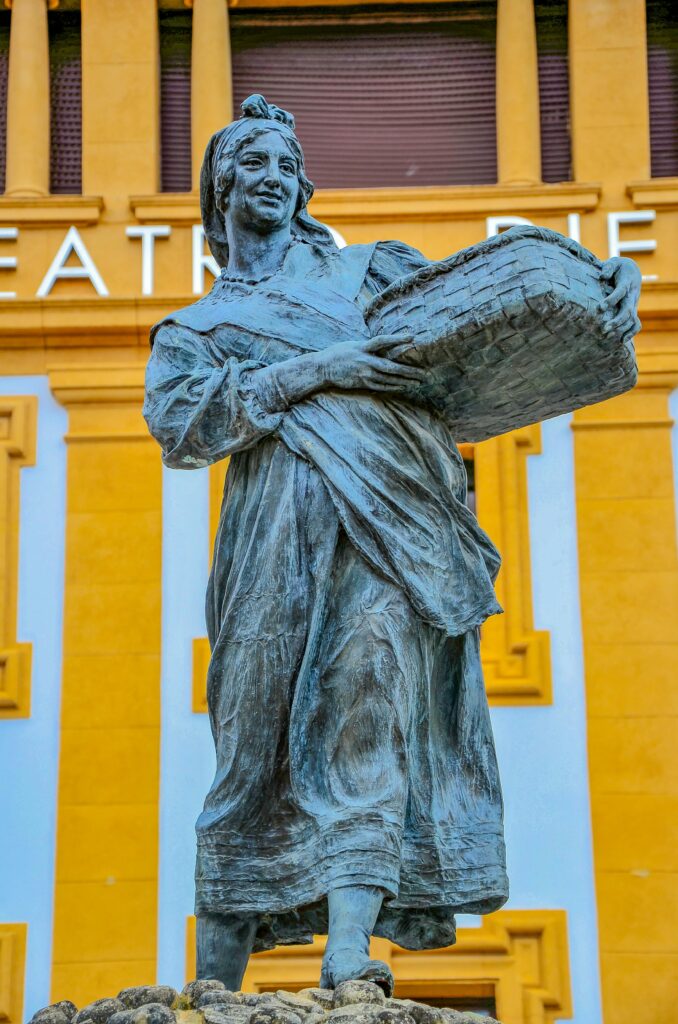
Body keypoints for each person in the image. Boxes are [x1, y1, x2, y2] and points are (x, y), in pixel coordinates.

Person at [143, 95, 641, 995]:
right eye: (254, 162)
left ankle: (347, 950)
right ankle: (211, 984)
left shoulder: (369, 275)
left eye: (289, 166)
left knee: (365, 700)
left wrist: (597, 296)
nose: (276, 178)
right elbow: (182, 424)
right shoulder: (194, 331)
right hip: (272, 543)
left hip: (393, 526)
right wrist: (318, 370)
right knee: (249, 740)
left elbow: (478, 321)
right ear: (219, 186)